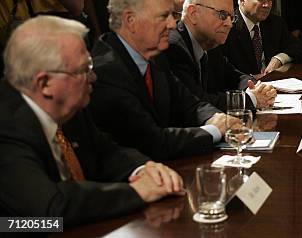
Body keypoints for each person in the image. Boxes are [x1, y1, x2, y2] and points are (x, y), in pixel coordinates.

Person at [0, 15, 183, 226]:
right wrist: (136, 192)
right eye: (83, 70)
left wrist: (145, 169)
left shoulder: (68, 106)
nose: (94, 77)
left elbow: (107, 153)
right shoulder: (7, 127)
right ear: (45, 83)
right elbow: (48, 210)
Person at [90, 0, 231, 160]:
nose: (173, 24)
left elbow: (189, 103)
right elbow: (152, 142)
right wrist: (214, 130)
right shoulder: (106, 71)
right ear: (130, 20)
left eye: (172, 16)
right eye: (164, 16)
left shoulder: (154, 58)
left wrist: (214, 118)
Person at [165, 0, 276, 110]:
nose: (229, 24)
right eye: (222, 15)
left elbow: (234, 76)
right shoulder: (172, 47)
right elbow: (196, 101)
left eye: (231, 17)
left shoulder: (210, 42)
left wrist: (257, 87)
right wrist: (251, 99)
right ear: (193, 13)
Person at [222, 0, 302, 76]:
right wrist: (252, 80)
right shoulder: (226, 26)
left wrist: (279, 58)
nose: (267, 5)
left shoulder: (275, 23)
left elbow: (298, 47)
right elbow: (223, 71)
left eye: (270, 0)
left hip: (273, 86)